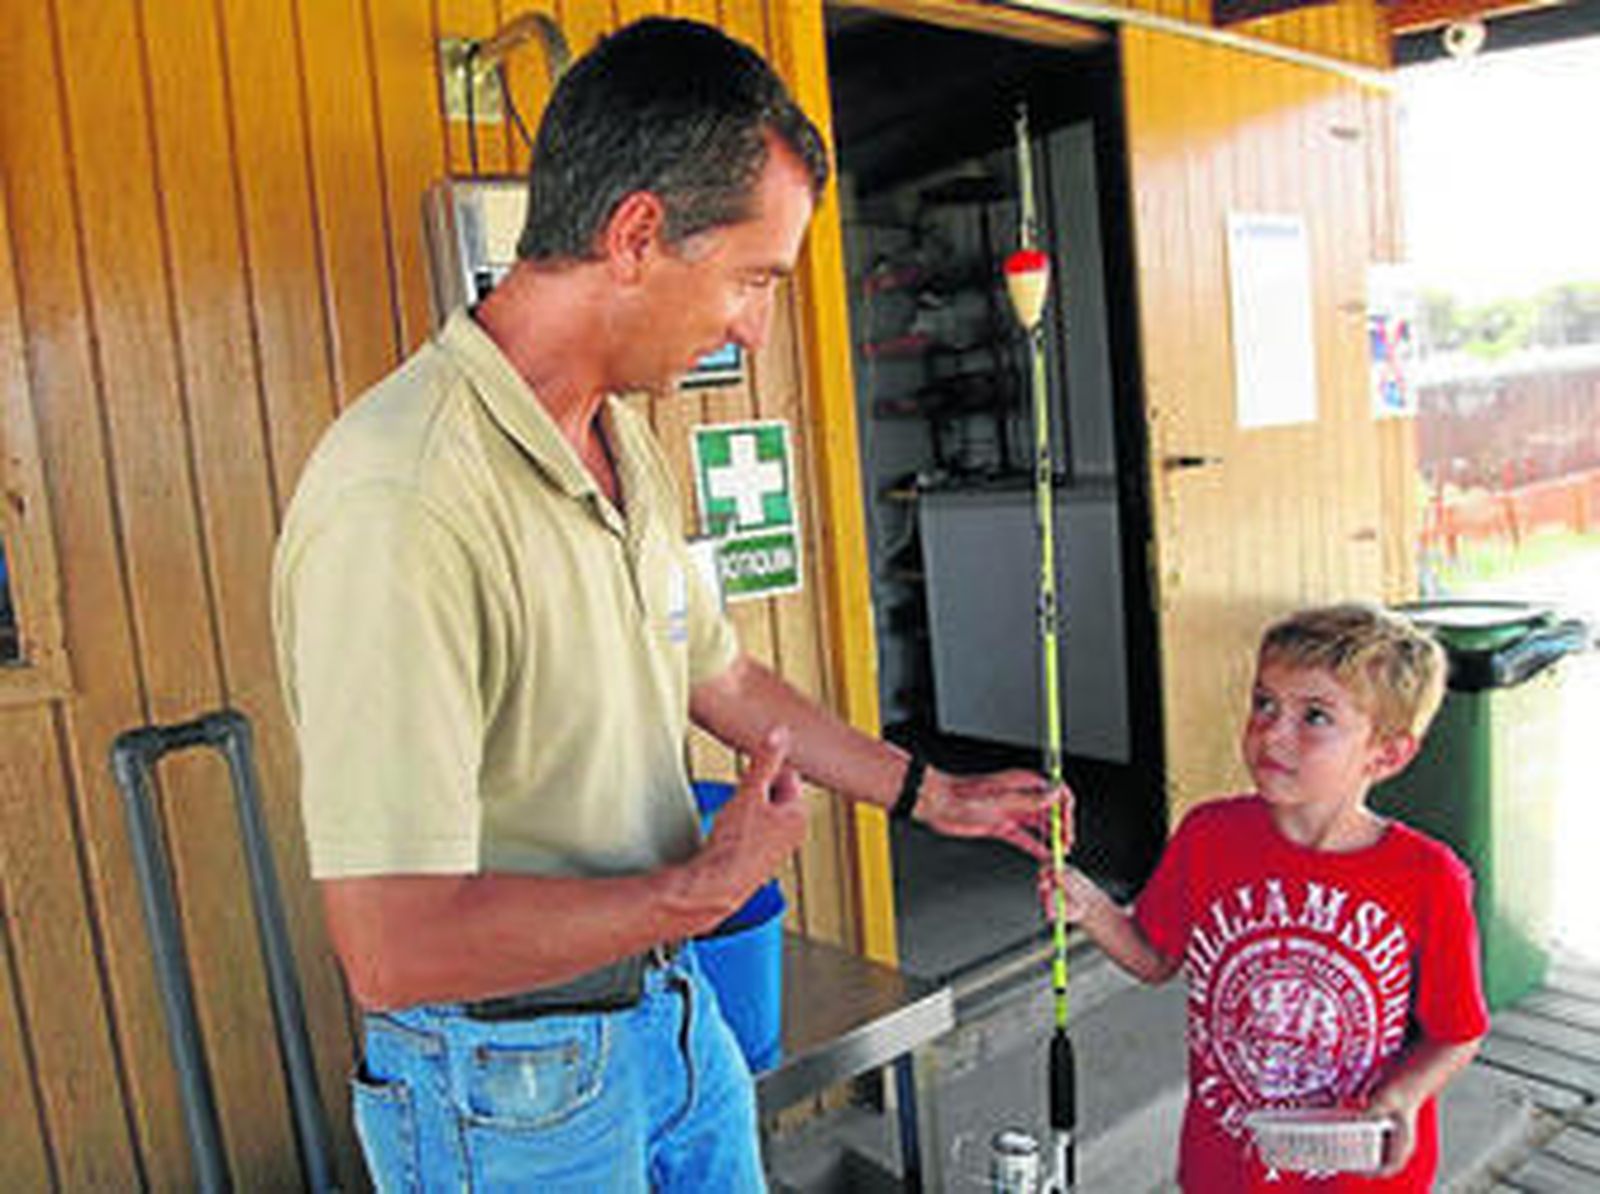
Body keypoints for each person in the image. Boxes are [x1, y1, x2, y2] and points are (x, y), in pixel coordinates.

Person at [271, 17, 1062, 1192]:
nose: (752, 325)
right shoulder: (403, 497)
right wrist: (696, 889)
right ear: (637, 233)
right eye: (751, 279)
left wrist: (924, 791)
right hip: (510, 1086)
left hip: (669, 1014)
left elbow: (719, 674)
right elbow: (388, 946)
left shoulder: (619, 440)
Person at [1045, 603, 1488, 1192]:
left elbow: (1457, 1032)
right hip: (1226, 1168)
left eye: (1315, 716)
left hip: (1358, 1178)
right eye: (1264, 703)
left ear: (1387, 754)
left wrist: (1403, 1096)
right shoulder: (1208, 835)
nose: (1272, 733)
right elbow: (1155, 959)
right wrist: (1090, 908)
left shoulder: (1430, 877)